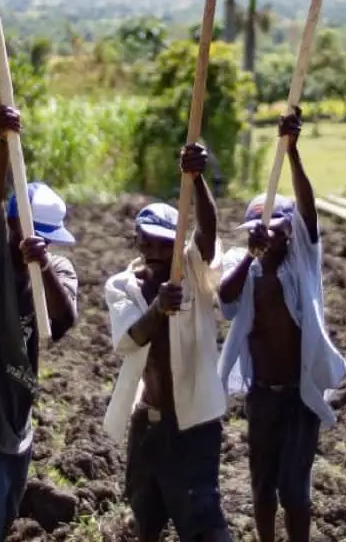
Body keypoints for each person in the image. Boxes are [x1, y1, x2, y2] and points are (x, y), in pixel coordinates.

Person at [0, 104, 80, 542]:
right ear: (11, 226)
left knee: (1, 525)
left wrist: (40, 266)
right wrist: (5, 144)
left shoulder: (54, 269)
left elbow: (62, 322)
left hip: (19, 420)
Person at [218, 110, 346, 542]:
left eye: (275, 227)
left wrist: (292, 153)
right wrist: (252, 256)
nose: (267, 234)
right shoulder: (244, 265)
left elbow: (308, 208)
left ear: (289, 232)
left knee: (294, 490)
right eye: (259, 228)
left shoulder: (302, 261)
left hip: (300, 394)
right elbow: (226, 300)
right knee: (262, 487)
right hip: (263, 395)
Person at [103, 142, 231, 542]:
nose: (157, 252)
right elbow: (129, 341)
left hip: (195, 422)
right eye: (148, 243)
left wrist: (197, 177)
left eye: (166, 244)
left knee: (204, 524)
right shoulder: (123, 286)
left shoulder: (192, 271)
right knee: (147, 520)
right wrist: (159, 309)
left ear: (178, 245)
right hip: (149, 424)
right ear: (137, 243)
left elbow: (208, 232)